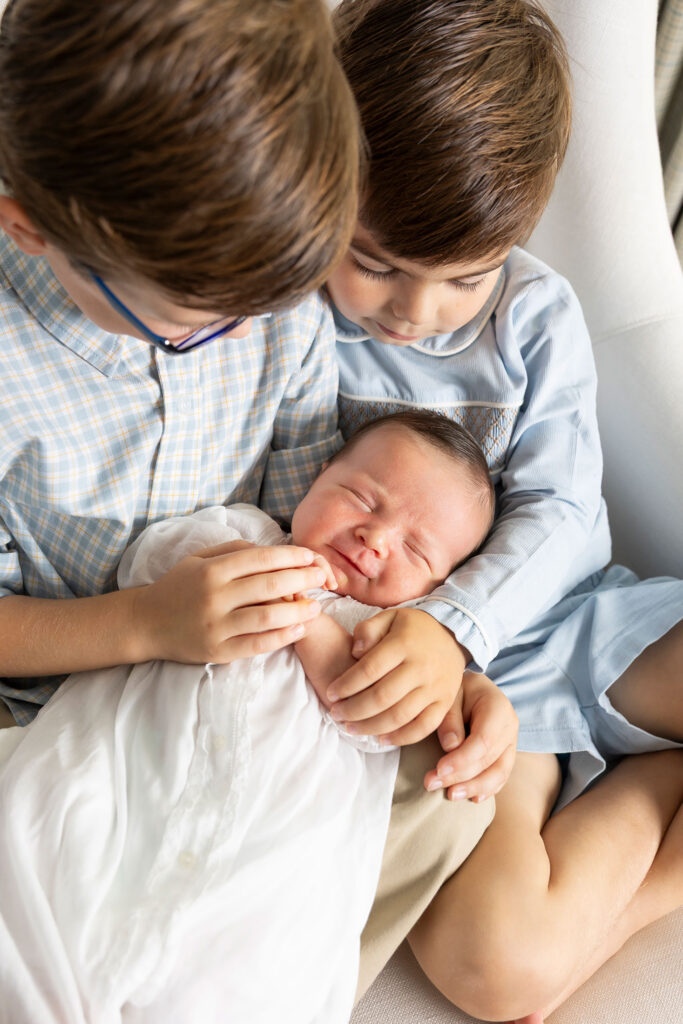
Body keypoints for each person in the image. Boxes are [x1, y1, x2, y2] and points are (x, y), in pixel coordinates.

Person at [0, 0, 507, 1001]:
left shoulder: (275, 311)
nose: (246, 333)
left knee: (450, 792)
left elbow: (315, 530)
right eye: (197, 323)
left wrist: (434, 659)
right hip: (51, 681)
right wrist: (140, 623)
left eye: (267, 304)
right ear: (27, 226)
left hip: (254, 680)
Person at [326, 1, 683, 1020]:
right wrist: (428, 644)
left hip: (564, 622)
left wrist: (455, 621)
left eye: (461, 277)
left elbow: (569, 513)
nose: (414, 309)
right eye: (377, 260)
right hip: (468, 713)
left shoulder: (529, 310)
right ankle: (650, 821)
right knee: (497, 964)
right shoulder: (288, 322)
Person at [0, 410, 514, 1024]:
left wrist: (457, 677)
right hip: (123, 780)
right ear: (316, 479)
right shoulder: (239, 534)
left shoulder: (393, 643)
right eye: (360, 498)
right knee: (35, 877)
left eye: (415, 549)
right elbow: (153, 561)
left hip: (257, 862)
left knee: (242, 978)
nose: (375, 539)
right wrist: (312, 624)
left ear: (441, 588)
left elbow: (382, 723)